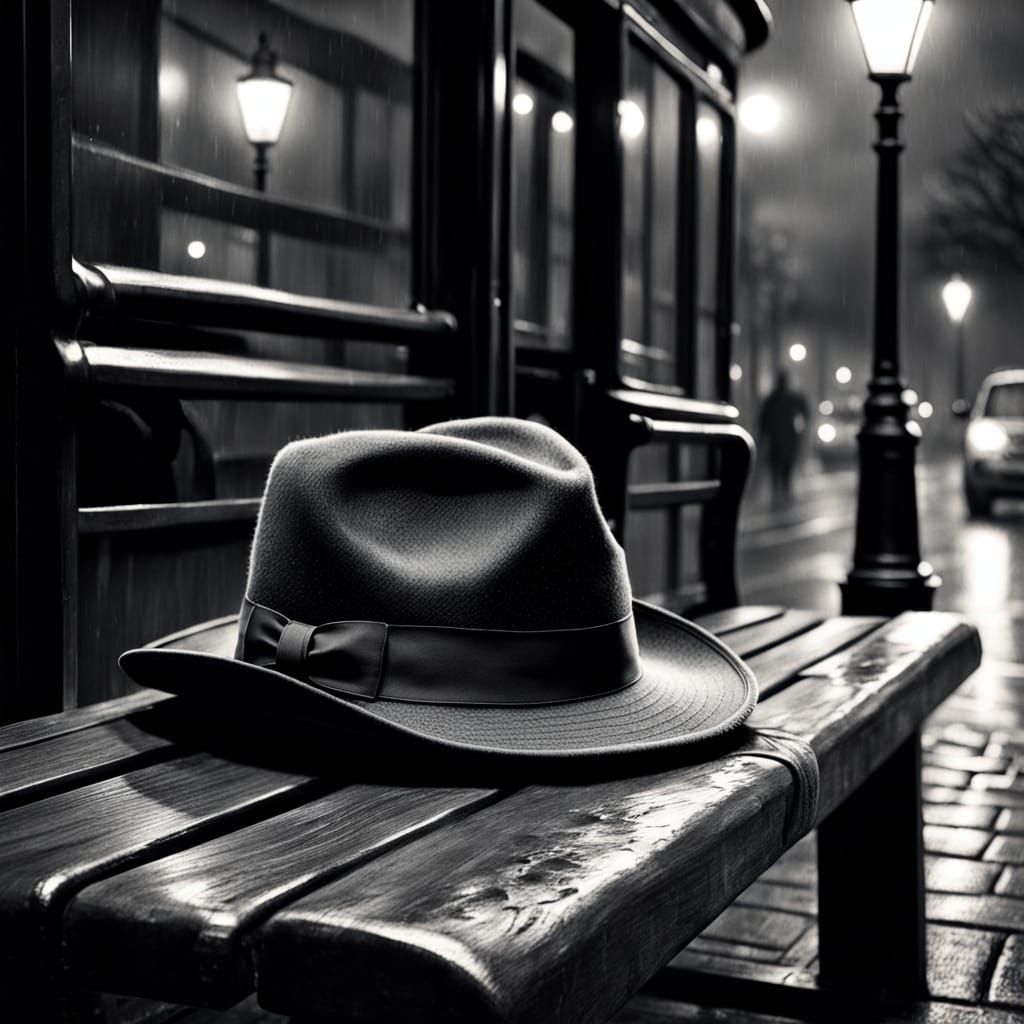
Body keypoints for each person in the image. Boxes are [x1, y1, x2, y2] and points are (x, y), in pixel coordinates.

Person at [758, 370, 809, 505]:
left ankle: (781, 492)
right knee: (781, 467)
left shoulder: (775, 399)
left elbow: (763, 421)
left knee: (782, 467)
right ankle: (782, 492)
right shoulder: (784, 399)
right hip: (783, 439)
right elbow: (763, 421)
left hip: (783, 439)